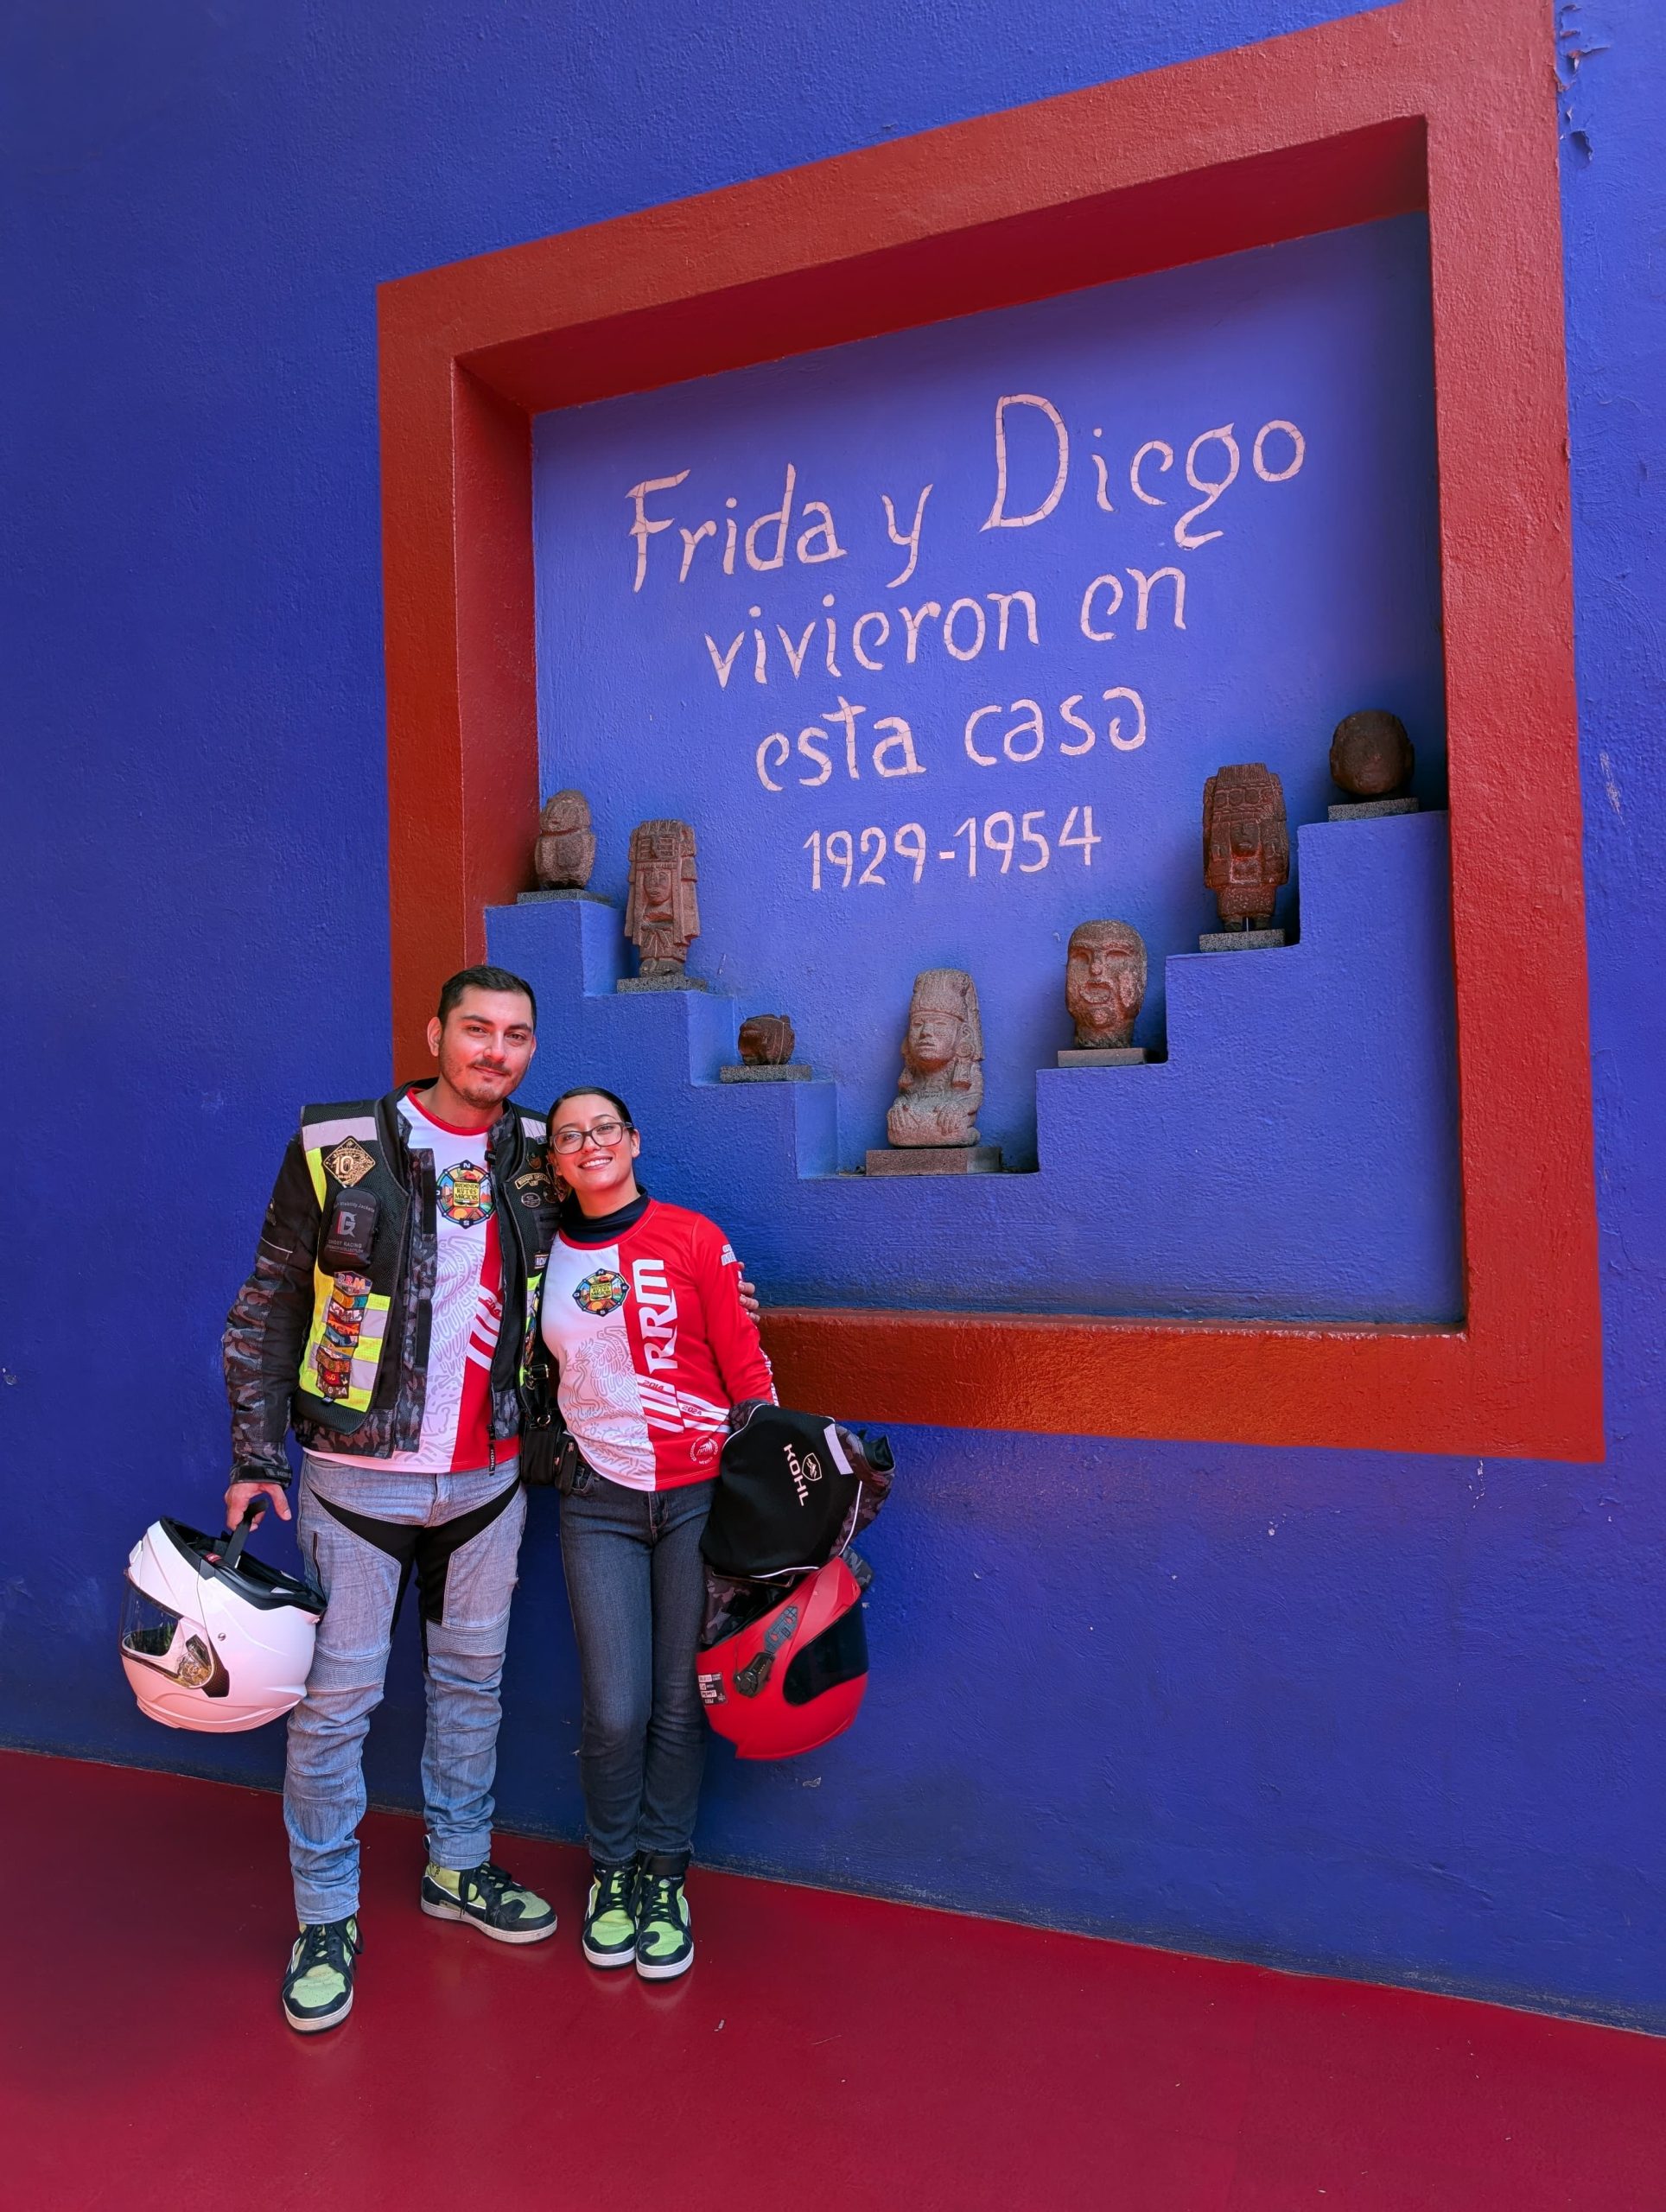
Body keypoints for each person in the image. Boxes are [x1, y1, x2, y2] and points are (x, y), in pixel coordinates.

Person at [222, 965, 563, 2033]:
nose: (494, 1051)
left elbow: (613, 1250)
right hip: (355, 1481)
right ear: (434, 1033)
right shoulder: (339, 1145)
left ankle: (456, 1865)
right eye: (476, 1029)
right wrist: (255, 1455)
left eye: (515, 1035)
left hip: (488, 1482)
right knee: (335, 1709)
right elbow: (270, 1301)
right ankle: (325, 1916)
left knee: (471, 1687)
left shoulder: (543, 1151)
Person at [535, 1085, 776, 1980]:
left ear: (633, 1141)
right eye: (570, 1135)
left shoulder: (693, 1237)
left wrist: (771, 1487)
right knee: (614, 1709)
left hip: (699, 1495)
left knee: (679, 1704)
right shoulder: (538, 1254)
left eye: (604, 1128)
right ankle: (612, 1873)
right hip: (596, 1497)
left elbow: (745, 1366)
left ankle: (663, 1877)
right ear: (554, 1161)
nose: (589, 1143)